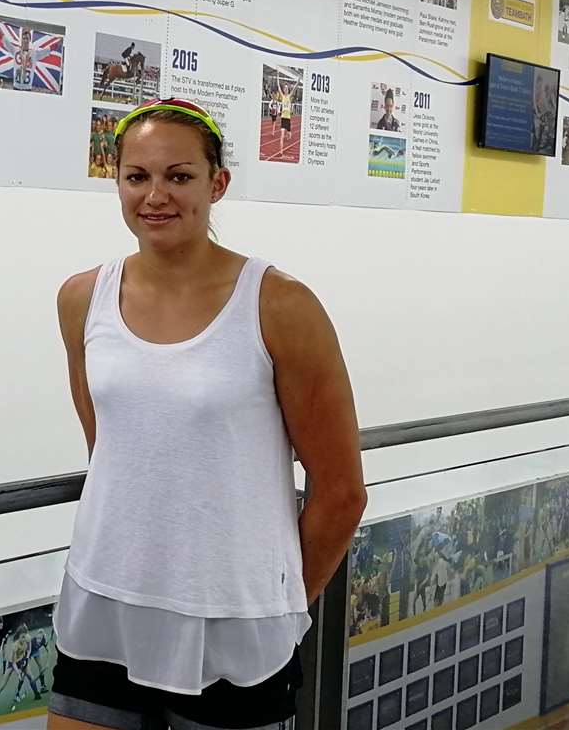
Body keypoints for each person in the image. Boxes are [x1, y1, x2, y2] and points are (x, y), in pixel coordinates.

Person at [48, 97, 365, 730]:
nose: (156, 195)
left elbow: (341, 492)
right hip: (106, 604)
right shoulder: (83, 298)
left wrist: (277, 607)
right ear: (115, 181)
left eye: (180, 176)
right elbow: (109, 450)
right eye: (137, 176)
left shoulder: (279, 304)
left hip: (233, 629)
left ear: (217, 183)